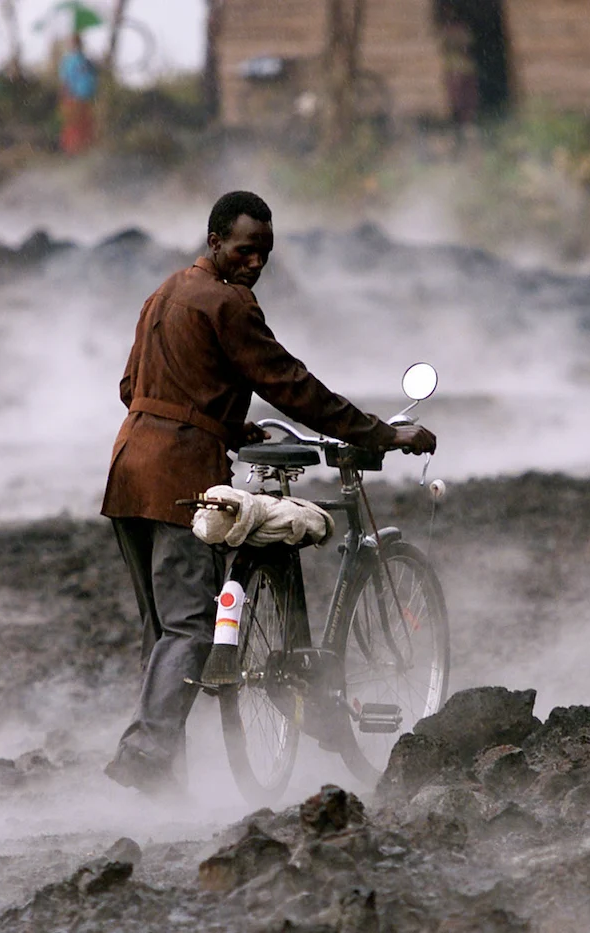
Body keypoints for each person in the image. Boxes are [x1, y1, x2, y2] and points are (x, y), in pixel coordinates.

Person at [100, 191, 437, 795]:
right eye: (245, 250)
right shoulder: (229, 303)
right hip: (178, 478)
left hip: (128, 474)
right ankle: (145, 759)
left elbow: (133, 387)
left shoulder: (165, 293)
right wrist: (381, 434)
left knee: (162, 631)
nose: (255, 263)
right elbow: (291, 385)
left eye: (265, 253)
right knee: (188, 629)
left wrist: (228, 427)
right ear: (215, 244)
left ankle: (165, 782)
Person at [58, 33, 97, 155]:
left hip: (77, 97)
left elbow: (64, 82)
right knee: (80, 125)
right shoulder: (85, 61)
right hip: (83, 96)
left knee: (75, 125)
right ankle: (80, 148)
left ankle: (75, 149)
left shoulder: (70, 61)